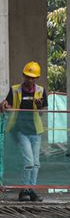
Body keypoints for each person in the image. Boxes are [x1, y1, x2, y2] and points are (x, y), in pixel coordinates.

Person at [1, 61, 47, 201]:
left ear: (36, 78)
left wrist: (39, 107)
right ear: (23, 75)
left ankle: (31, 190)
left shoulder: (40, 91)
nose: (30, 80)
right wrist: (4, 105)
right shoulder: (15, 90)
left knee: (36, 163)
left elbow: (41, 113)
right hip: (20, 130)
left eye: (33, 77)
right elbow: (6, 105)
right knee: (29, 162)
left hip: (35, 131)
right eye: (28, 76)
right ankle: (24, 191)